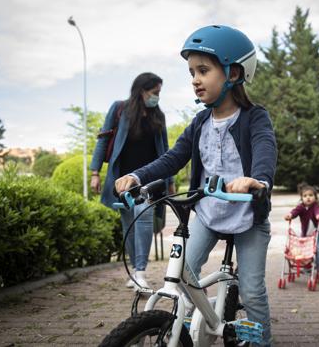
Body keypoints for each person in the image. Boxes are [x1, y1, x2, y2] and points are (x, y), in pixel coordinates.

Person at [115, 25, 277, 346]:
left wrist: (257, 182)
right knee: (184, 273)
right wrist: (138, 176)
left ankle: (262, 342)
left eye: (203, 70)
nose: (195, 79)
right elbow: (172, 158)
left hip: (247, 215)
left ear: (233, 73)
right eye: (191, 72)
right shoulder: (200, 122)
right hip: (208, 210)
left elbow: (264, 151)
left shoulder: (254, 118)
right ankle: (196, 322)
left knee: (253, 288)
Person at [90, 72, 175, 291]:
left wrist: (170, 180)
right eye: (154, 92)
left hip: (149, 180)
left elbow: (165, 151)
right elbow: (103, 140)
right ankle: (136, 270)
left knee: (144, 215)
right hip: (122, 181)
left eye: (159, 93)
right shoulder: (119, 109)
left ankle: (140, 272)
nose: (157, 97)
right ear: (142, 90)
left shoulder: (159, 116)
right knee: (129, 226)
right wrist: (95, 172)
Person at [284, 183, 319, 275]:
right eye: (305, 196)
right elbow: (295, 212)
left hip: (318, 233)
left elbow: (318, 211)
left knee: (318, 249)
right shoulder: (301, 207)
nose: (308, 198)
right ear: (301, 198)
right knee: (306, 251)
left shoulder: (316, 206)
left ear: (315, 197)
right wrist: (290, 215)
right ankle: (307, 267)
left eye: (311, 195)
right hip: (306, 234)